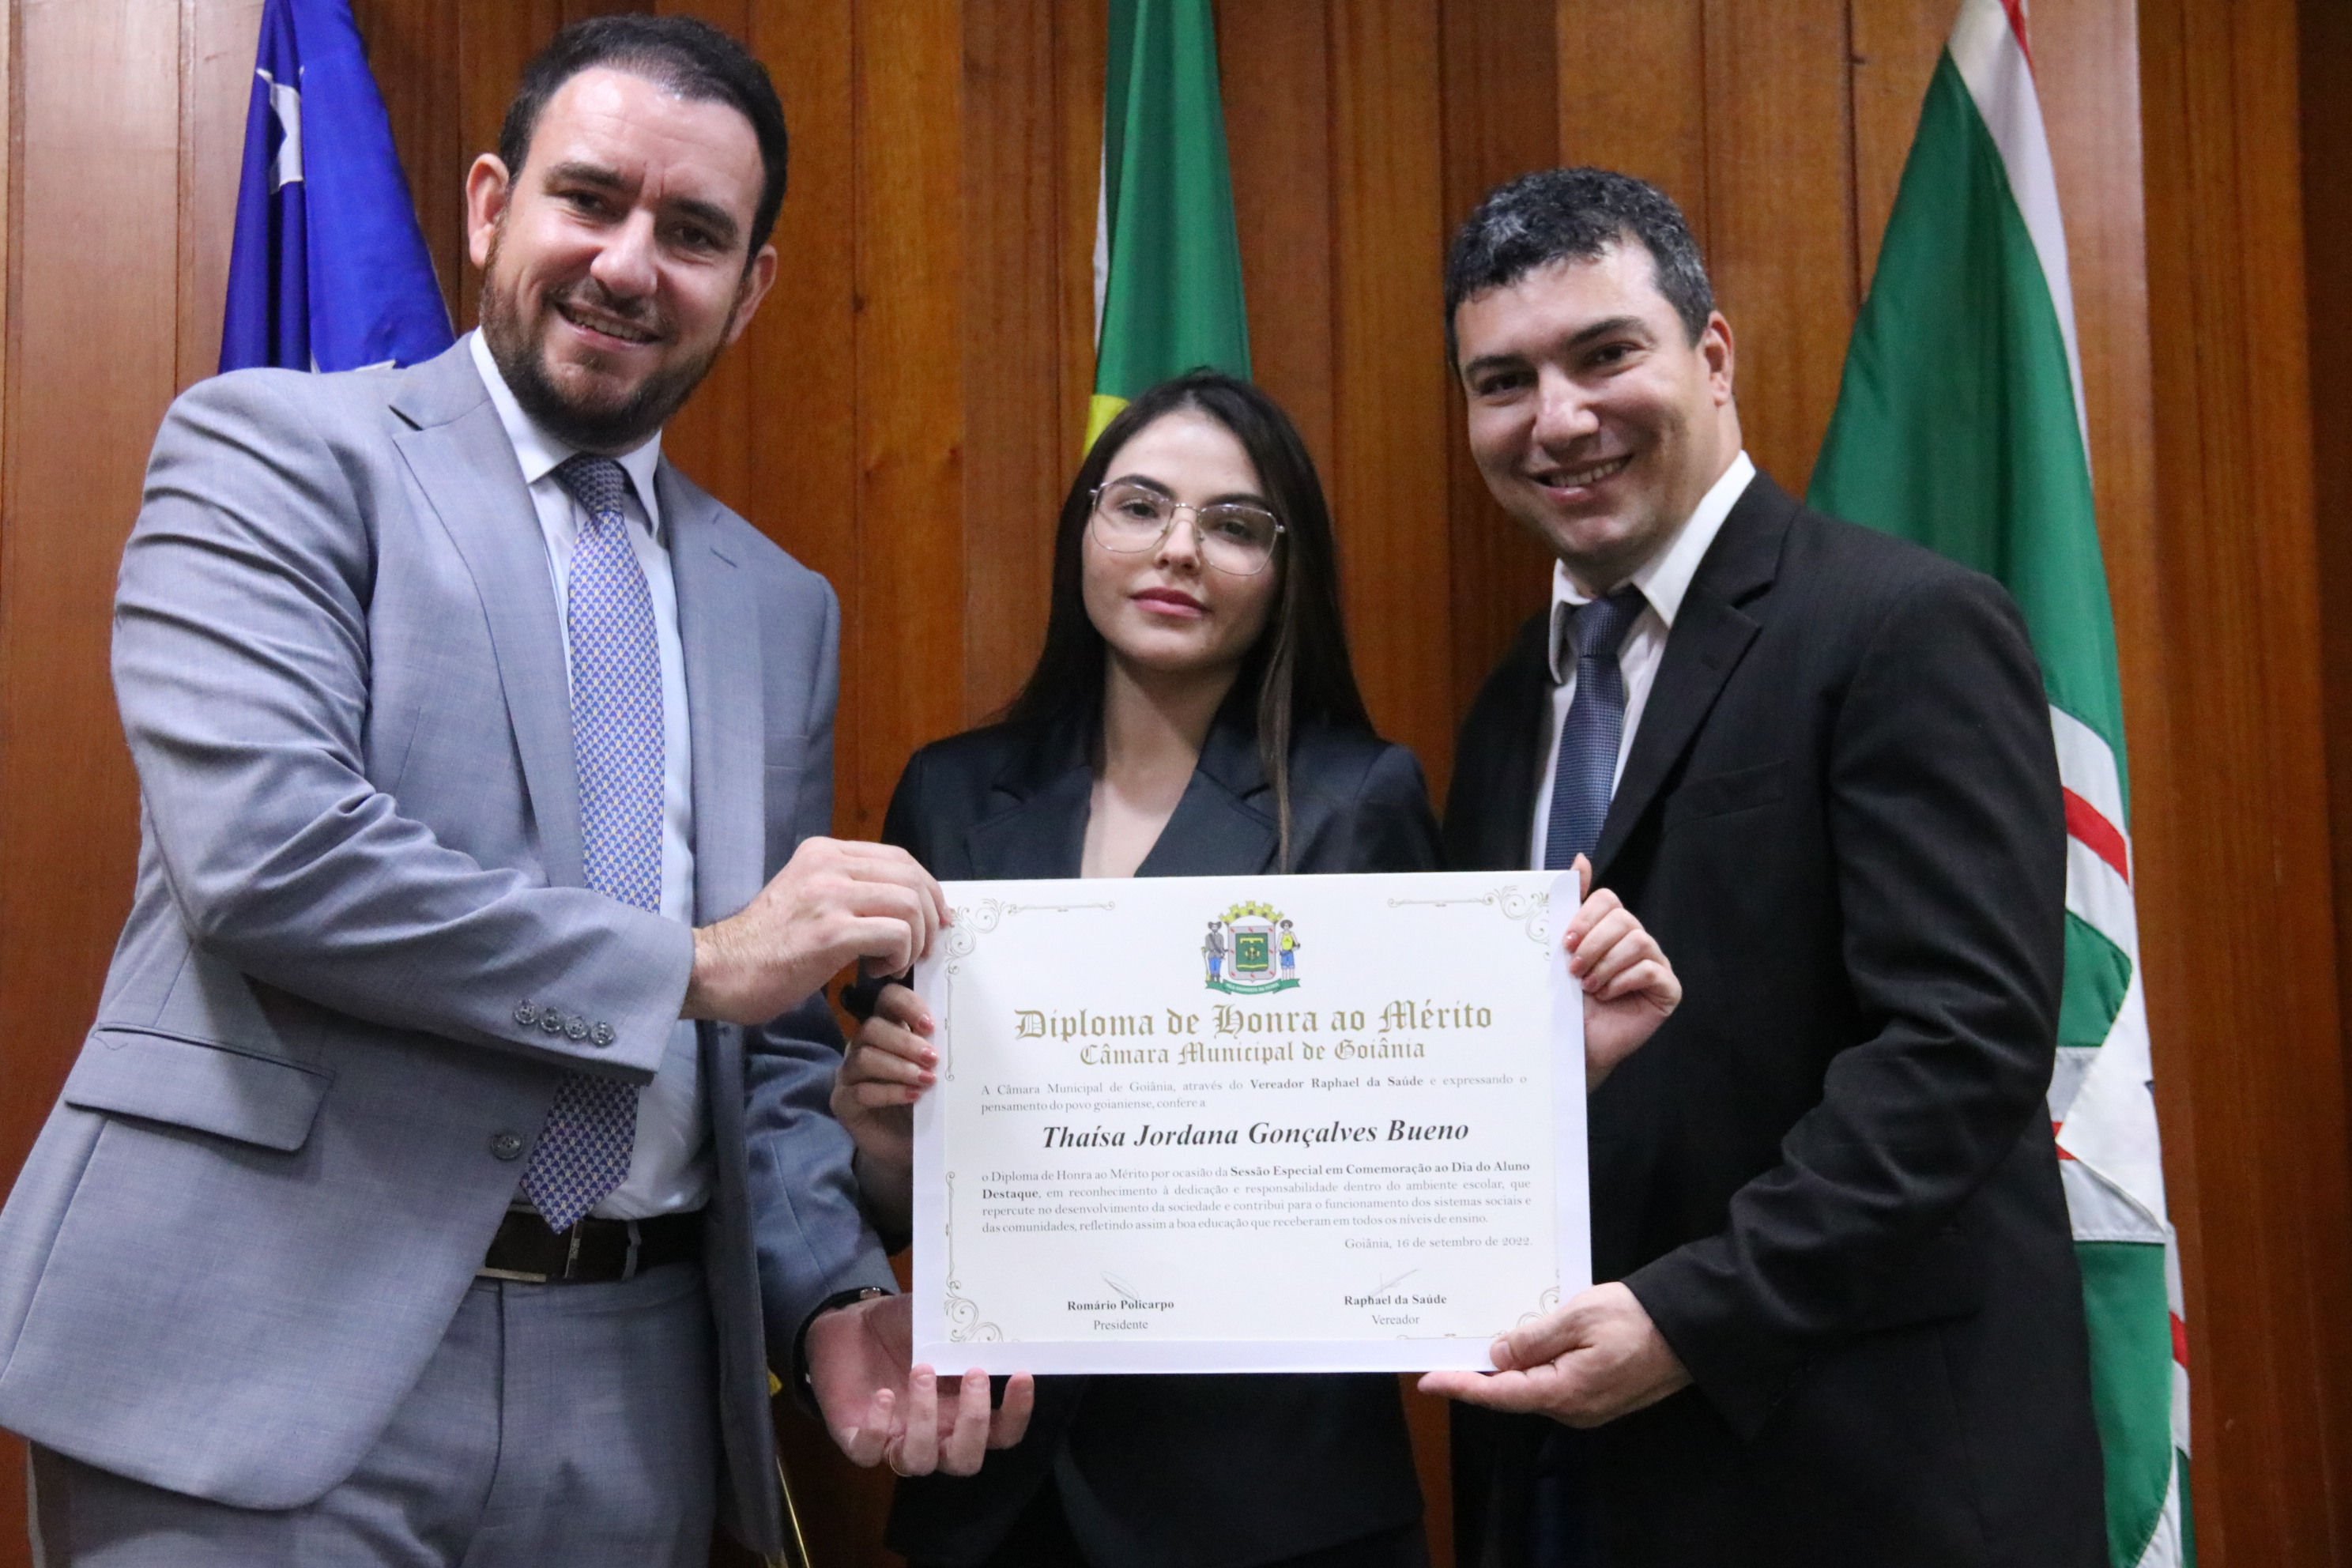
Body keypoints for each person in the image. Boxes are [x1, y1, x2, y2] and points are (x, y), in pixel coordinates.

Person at [0, 17, 1027, 1567]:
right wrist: (695, 963)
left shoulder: (778, 605)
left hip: (633, 1389)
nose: (629, 264)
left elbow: (764, 1051)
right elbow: (272, 859)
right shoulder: (275, 452)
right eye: (589, 200)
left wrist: (831, 1293)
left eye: (693, 233)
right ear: (491, 207)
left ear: (751, 288)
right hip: (257, 1352)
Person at [828, 371, 1683, 1568]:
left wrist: (1548, 1068)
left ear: (1286, 571)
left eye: (1233, 525)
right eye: (1140, 506)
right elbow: (907, 1188)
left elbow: (1412, 1133)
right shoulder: (951, 795)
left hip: (1273, 1502)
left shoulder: (1357, 798)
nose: (1178, 549)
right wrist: (879, 1136)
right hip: (997, 1486)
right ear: (1083, 528)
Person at [1420, 166, 2107, 1566]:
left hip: (1864, 1476)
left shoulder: (1903, 626)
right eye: (1504, 382)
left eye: (1604, 354)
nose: (1559, 418)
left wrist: (1690, 1317)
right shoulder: (1505, 715)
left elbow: (1962, 1047)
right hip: (1570, 1474)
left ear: (1714, 356)